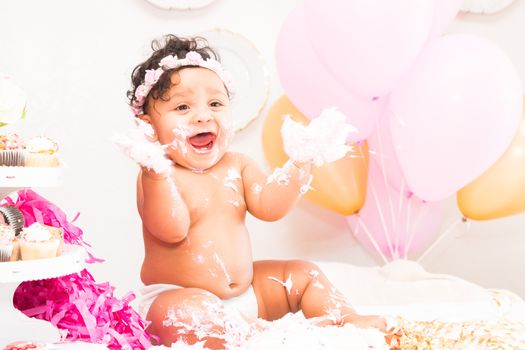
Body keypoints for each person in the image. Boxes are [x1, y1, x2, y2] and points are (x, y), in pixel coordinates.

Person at [121, 34, 386, 349]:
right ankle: (252, 338)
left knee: (303, 273)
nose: (204, 115)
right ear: (148, 127)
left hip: (248, 294)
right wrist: (155, 171)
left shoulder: (237, 165)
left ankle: (343, 318)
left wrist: (299, 162)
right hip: (178, 297)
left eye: (216, 103)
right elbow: (171, 230)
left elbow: (270, 207)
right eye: (182, 106)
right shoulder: (158, 177)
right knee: (191, 314)